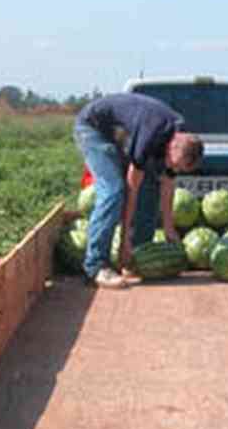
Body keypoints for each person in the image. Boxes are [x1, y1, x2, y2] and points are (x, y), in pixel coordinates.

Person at [73, 92, 204, 287]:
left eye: (179, 168)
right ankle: (95, 267)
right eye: (174, 164)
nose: (173, 168)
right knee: (113, 190)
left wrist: (169, 228)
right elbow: (131, 189)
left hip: (117, 133)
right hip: (93, 129)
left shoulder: (181, 136)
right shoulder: (150, 135)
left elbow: (167, 183)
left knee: (150, 189)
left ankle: (135, 258)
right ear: (171, 147)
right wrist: (124, 238)